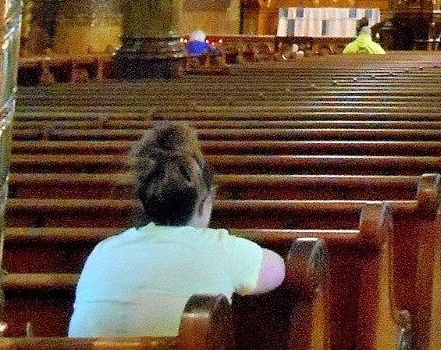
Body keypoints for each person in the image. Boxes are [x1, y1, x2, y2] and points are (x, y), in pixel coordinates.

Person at [68, 122, 285, 334]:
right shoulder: (220, 248)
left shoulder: (103, 251)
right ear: (205, 204)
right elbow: (277, 270)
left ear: (143, 202)